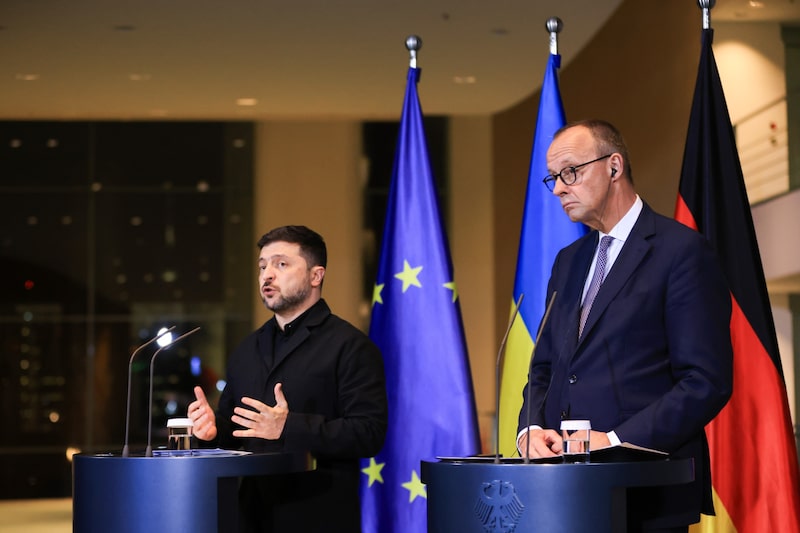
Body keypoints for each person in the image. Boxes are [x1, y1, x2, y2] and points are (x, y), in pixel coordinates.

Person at [516, 120, 733, 532]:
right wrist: (529, 428)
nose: (559, 188)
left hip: (645, 491)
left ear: (613, 167)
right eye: (553, 179)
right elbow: (543, 366)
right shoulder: (569, 261)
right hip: (564, 491)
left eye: (570, 173)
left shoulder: (681, 253)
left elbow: (705, 380)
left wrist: (616, 441)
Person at [188, 225, 388, 533]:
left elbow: (369, 432)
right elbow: (237, 431)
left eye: (281, 264)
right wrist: (212, 431)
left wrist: (288, 426)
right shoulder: (246, 349)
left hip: (318, 516)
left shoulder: (350, 345)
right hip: (250, 517)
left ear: (315, 275)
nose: (267, 274)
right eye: (263, 265)